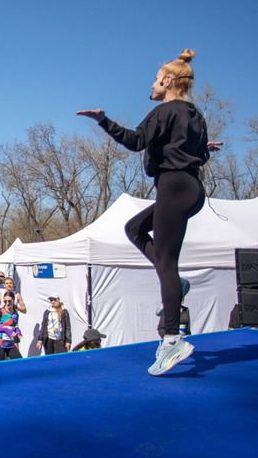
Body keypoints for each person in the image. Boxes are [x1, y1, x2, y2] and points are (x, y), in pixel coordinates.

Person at [77, 48, 222, 376]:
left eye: (156, 80)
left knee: (167, 264)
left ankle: (172, 339)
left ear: (169, 81)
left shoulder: (165, 111)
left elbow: (135, 141)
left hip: (173, 186)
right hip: (192, 189)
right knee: (134, 229)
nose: (152, 85)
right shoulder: (195, 115)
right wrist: (203, 148)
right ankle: (176, 284)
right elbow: (199, 154)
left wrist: (103, 121)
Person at [0, 291, 24, 360]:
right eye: (5, 301)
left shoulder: (15, 313)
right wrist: (6, 330)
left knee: (19, 361)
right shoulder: (0, 311)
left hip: (10, 343)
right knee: (0, 364)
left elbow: (15, 327)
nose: (7, 303)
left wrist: (18, 332)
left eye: (9, 301)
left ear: (13, 300)